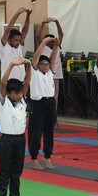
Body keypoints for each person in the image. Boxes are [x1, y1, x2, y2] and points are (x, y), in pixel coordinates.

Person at [0, 57, 31, 196]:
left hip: (19, 139)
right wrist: (10, 65)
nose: (19, 95)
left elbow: (27, 81)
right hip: (6, 140)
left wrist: (29, 66)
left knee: (16, 173)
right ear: (9, 93)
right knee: (5, 173)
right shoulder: (4, 101)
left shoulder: (22, 100)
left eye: (20, 92)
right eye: (16, 93)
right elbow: (3, 84)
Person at [28, 36, 60, 169]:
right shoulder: (35, 73)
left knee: (49, 131)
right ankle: (34, 157)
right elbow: (36, 56)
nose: (46, 66)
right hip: (38, 103)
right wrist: (44, 42)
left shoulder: (49, 73)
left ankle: (47, 156)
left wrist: (57, 45)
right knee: (36, 131)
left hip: (50, 103)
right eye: (43, 64)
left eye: (47, 65)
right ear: (38, 65)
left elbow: (53, 58)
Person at [0, 7, 31, 83]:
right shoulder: (3, 47)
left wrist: (28, 16)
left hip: (21, 79)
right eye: (16, 40)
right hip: (8, 80)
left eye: (19, 40)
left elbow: (25, 31)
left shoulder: (19, 46)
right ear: (8, 39)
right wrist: (17, 14)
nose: (19, 42)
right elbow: (7, 30)